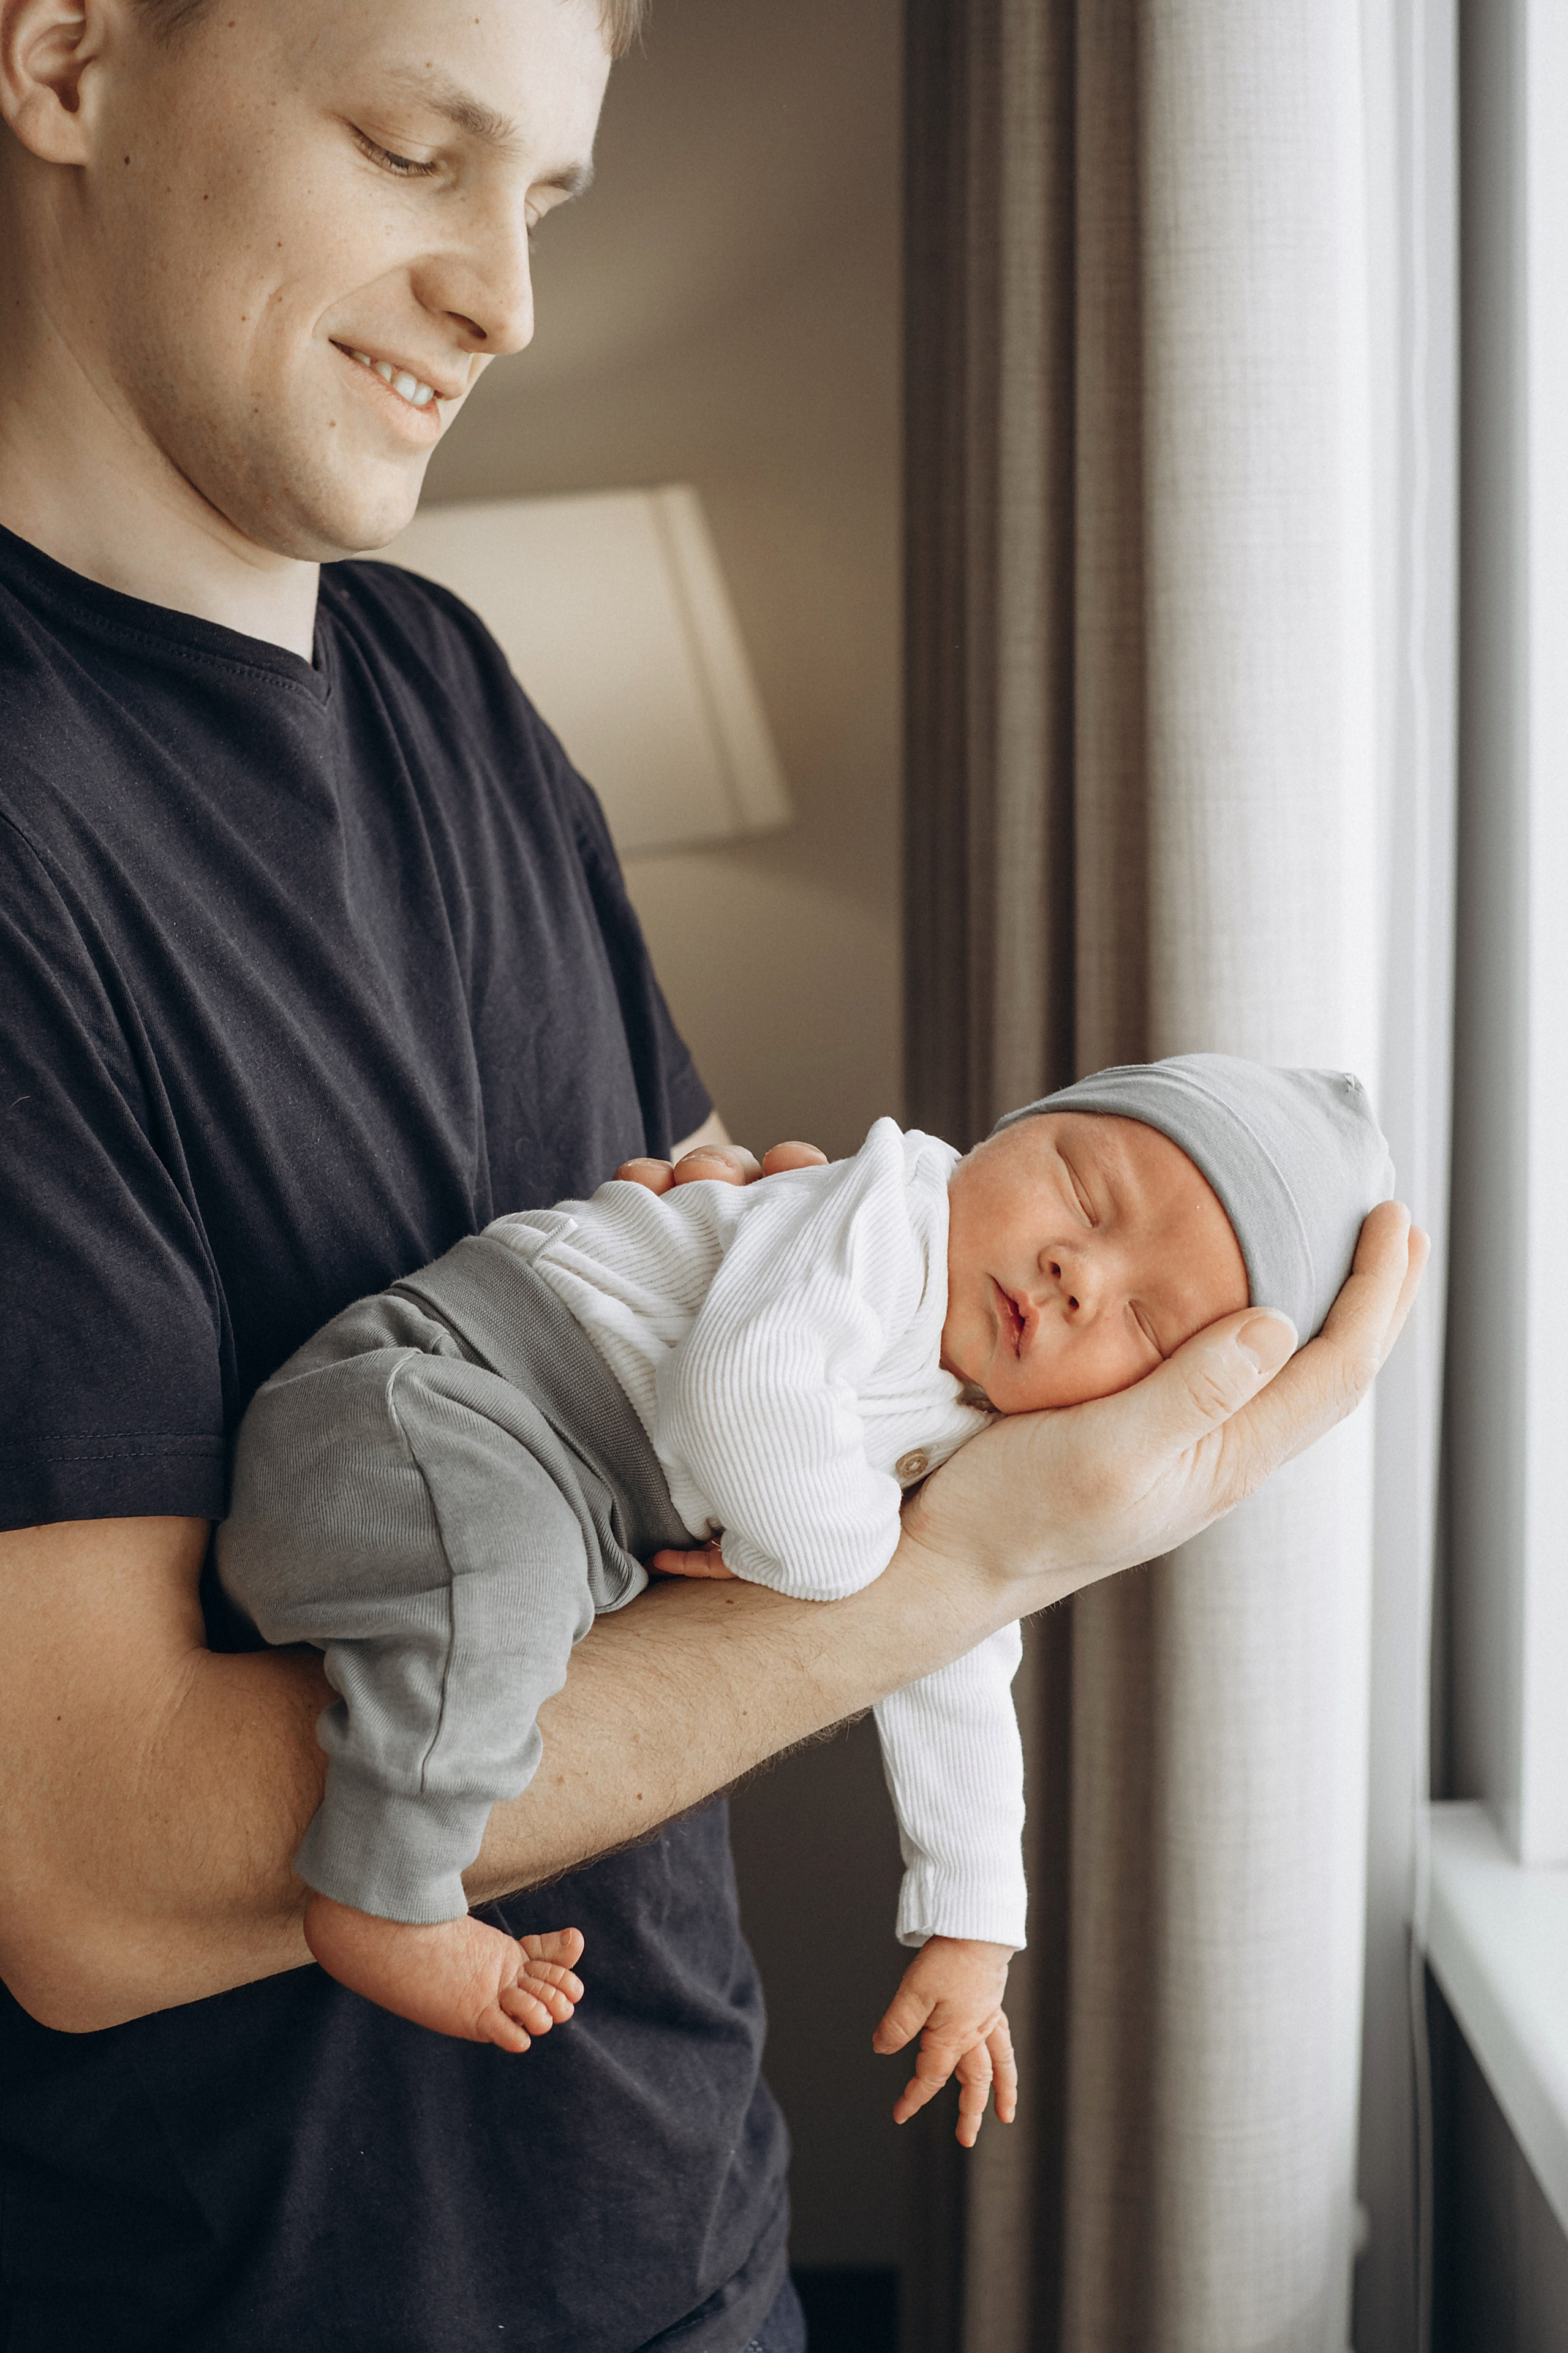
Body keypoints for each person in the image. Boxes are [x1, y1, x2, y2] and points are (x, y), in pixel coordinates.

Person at [0, 0, 1427, 2346]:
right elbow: (89, 1873)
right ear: (67, 64)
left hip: (687, 2244)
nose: (505, 296)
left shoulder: (449, 690)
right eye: (409, 147)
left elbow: (669, 1462)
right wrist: (960, 1570)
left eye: (541, 198)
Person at [213, 1054, 1392, 2150]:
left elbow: (951, 1636)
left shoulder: (971, 1425)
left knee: (520, 1603)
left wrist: (974, 1922)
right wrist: (840, 1555)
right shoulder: (889, 1216)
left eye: (1147, 1322)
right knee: (509, 1583)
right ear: (1012, 1131)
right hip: (434, 1394)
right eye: (1083, 1190)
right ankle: (380, 1892)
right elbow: (738, 1392)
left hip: (514, 1486)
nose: (1080, 1274)